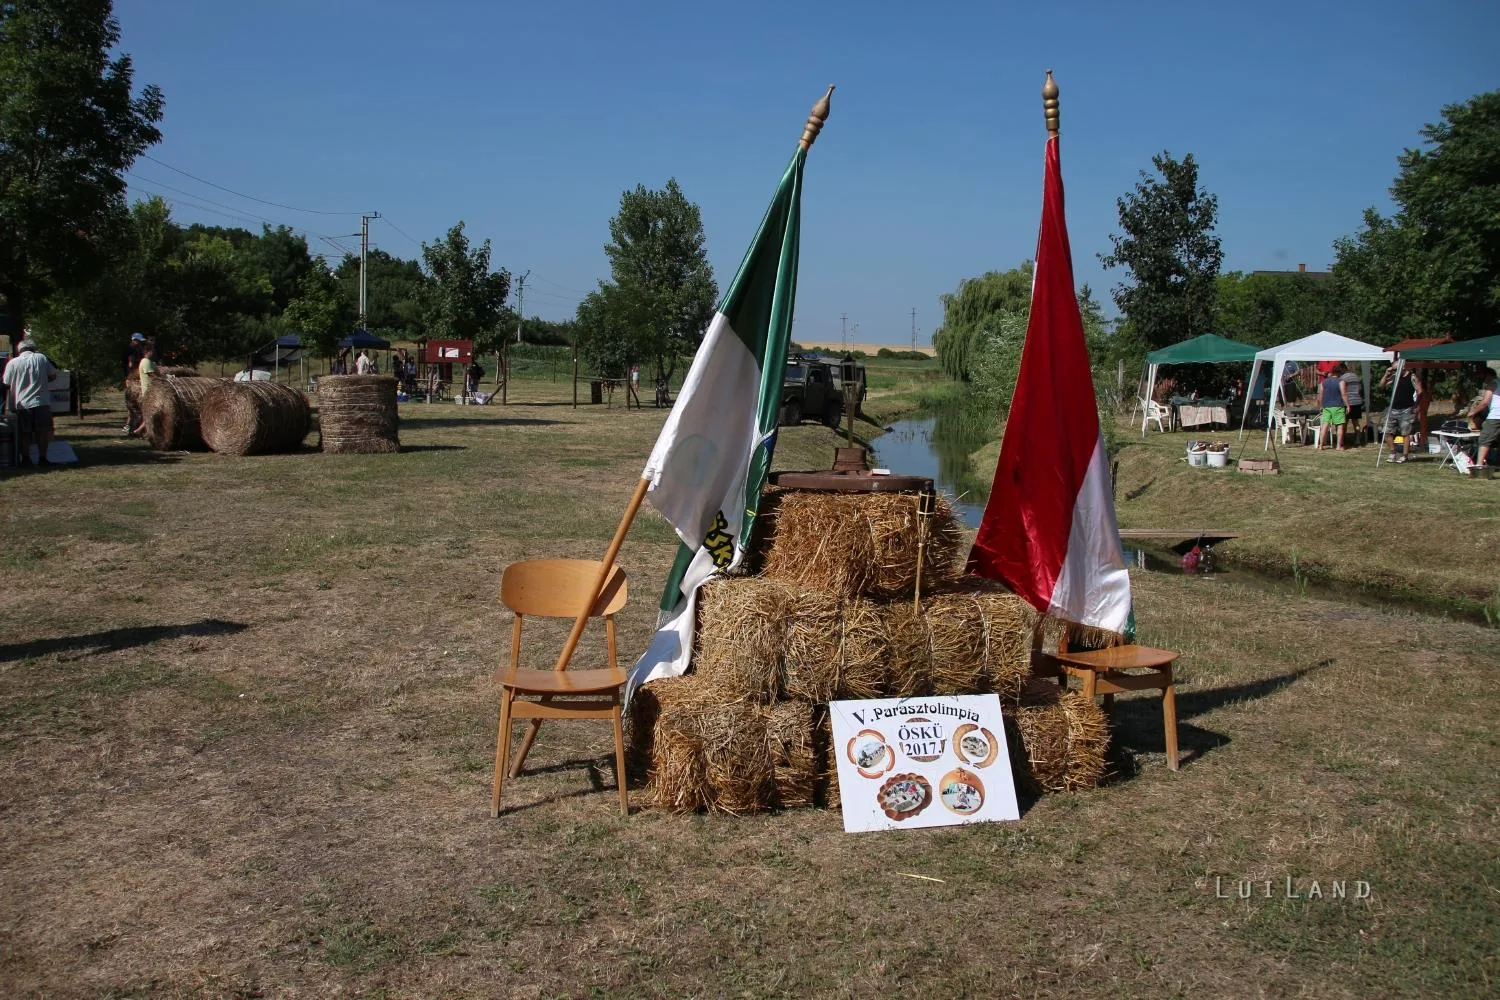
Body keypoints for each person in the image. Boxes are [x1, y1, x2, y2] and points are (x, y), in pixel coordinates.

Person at [3, 339, 57, 467]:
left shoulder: (12, 362)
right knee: (42, 432)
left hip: (22, 403)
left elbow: (6, 382)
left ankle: (26, 459)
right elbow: (53, 374)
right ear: (33, 348)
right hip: (41, 401)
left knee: (24, 433)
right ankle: (43, 458)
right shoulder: (41, 358)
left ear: (19, 350)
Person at [1380, 363, 1423, 463]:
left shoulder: (1411, 377)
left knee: (1405, 433)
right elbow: (1381, 386)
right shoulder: (1394, 377)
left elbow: (1420, 391)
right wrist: (1386, 374)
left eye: (1396, 369)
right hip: (1393, 408)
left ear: (1402, 367)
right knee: (1386, 431)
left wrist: (1416, 405)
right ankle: (1392, 452)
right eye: (1394, 370)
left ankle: (1405, 455)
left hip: (1407, 409)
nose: (1395, 371)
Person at [1467, 365, 1499, 475]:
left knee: (1484, 440)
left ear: (1488, 376)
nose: (1484, 381)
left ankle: (1479, 466)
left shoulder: (1492, 384)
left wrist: (1473, 412)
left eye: (1484, 377)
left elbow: (1485, 402)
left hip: (1496, 416)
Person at [1316, 364, 1350, 451]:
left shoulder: (1324, 382)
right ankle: (1338, 446)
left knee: (1325, 426)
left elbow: (1321, 394)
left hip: (1327, 406)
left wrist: (1320, 405)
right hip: (1338, 406)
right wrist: (1348, 405)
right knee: (1339, 426)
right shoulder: (1341, 382)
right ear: (1340, 373)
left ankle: (1320, 445)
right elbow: (1344, 394)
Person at [122, 332, 145, 434]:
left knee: (132, 404)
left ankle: (130, 426)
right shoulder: (131, 350)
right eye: (139, 341)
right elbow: (131, 364)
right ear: (134, 340)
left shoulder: (133, 349)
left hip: (130, 377)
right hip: (131, 378)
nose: (140, 343)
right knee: (133, 404)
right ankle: (130, 426)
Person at [1339, 364, 1366, 445]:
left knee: (1344, 422)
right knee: (1355, 421)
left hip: (1347, 401)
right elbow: (1360, 389)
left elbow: (1342, 390)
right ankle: (1357, 439)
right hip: (1357, 401)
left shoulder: (1343, 378)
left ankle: (1343, 439)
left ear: (1342, 369)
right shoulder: (1356, 377)